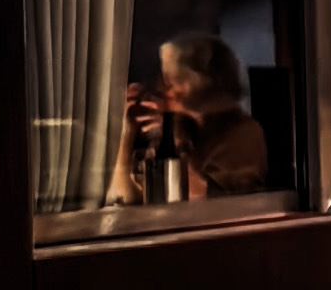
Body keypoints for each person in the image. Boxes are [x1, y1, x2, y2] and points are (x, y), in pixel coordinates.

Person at [112, 32, 271, 205]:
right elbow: (127, 195)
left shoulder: (244, 134)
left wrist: (172, 142)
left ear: (199, 84)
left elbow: (197, 195)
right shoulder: (182, 128)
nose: (162, 91)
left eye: (170, 83)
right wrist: (126, 132)